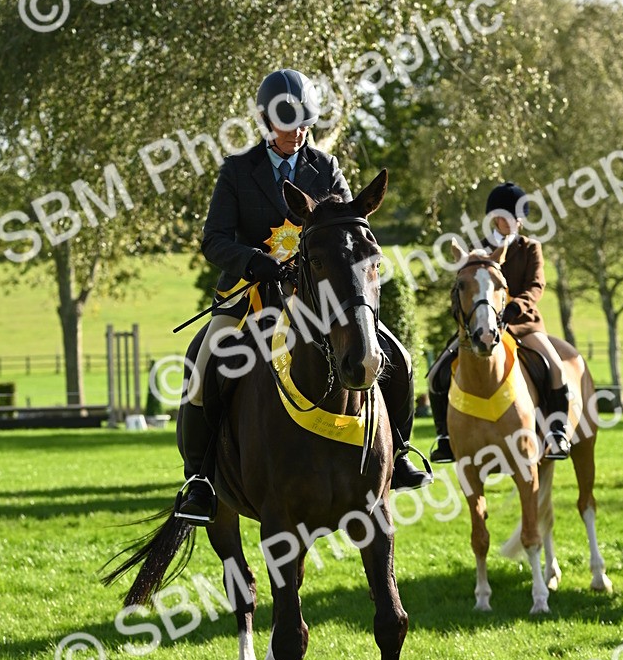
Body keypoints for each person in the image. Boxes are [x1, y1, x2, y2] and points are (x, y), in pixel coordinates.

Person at [176, 67, 432, 524]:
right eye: (286, 124)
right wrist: (254, 260)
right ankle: (200, 479)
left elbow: (354, 228)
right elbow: (213, 239)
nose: (296, 133)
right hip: (252, 292)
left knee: (398, 358)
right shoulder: (238, 170)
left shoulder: (325, 167)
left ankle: (403, 453)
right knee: (204, 363)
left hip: (319, 295)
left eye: (303, 123)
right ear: (264, 121)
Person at [428, 181, 571, 463]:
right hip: (480, 326)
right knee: (437, 372)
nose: (510, 221)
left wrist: (515, 307)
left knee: (556, 368)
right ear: (494, 217)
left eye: (516, 216)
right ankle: (445, 437)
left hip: (522, 324)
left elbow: (536, 285)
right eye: (505, 216)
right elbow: (463, 287)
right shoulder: (476, 250)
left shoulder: (531, 248)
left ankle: (557, 431)